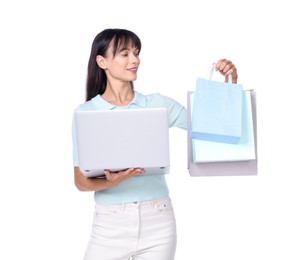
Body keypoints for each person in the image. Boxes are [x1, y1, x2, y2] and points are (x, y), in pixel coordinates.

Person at [72, 28, 238, 260]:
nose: (135, 60)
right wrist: (113, 181)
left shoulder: (158, 104)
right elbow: (80, 181)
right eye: (125, 53)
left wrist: (229, 84)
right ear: (102, 61)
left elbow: (214, 128)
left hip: (158, 221)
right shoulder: (86, 113)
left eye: (136, 53)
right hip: (109, 225)